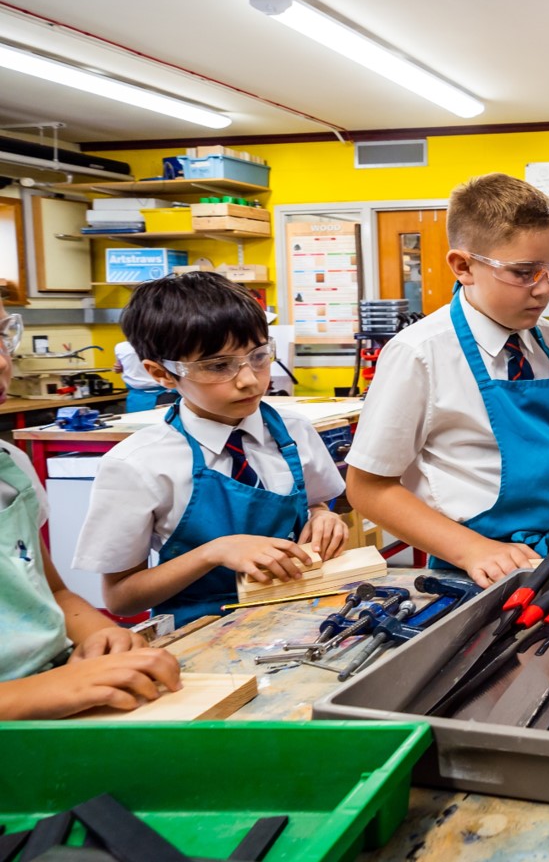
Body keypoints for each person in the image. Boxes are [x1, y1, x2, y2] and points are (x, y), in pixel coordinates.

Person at [346, 174, 549, 587]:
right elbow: (367, 488)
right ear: (463, 266)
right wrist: (471, 549)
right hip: (474, 568)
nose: (544, 289)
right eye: (524, 272)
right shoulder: (420, 353)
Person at [74, 273, 347, 627]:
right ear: (163, 374)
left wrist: (324, 516)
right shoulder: (137, 465)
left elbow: (316, 502)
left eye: (259, 356)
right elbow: (122, 598)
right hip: (203, 634)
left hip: (306, 618)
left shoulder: (293, 431)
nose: (249, 379)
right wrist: (215, 552)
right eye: (219, 366)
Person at [0, 298, 184, 719]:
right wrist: (31, 693)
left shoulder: (10, 466)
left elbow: (54, 594)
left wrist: (102, 636)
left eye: (1, 335)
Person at [114, 339, 175, 412]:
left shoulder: (121, 347)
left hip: (142, 397)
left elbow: (120, 366)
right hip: (141, 396)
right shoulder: (164, 344)